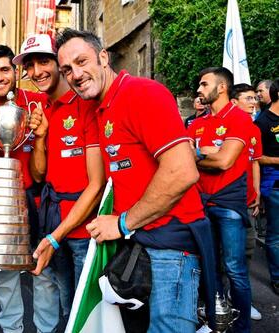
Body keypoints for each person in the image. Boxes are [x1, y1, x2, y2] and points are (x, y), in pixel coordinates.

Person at [57, 29, 215, 332]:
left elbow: (182, 171)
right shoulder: (102, 107)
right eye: (67, 69)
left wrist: (121, 223)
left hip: (171, 249)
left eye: (81, 61)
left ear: (103, 57)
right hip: (143, 244)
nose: (75, 74)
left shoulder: (142, 93)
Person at [15, 33, 105, 326]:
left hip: (83, 233)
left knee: (85, 315)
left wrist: (57, 236)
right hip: (54, 225)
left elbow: (98, 182)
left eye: (44, 61)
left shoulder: (87, 102)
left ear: (60, 63)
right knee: (66, 309)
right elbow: (40, 174)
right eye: (30, 65)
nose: (37, 71)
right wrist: (40, 138)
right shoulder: (43, 108)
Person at [0, 43, 52, 333]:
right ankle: (12, 330)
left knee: (42, 272)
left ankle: (45, 329)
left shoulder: (37, 102)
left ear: (15, 71)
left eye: (4, 69)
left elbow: (41, 168)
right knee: (3, 274)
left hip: (35, 197)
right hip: (0, 202)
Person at [188, 67, 254, 332]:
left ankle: (242, 328)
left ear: (222, 87)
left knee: (235, 269)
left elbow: (225, 161)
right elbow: (187, 159)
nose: (199, 90)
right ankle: (216, 321)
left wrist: (200, 155)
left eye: (204, 84)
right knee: (210, 266)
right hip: (201, 203)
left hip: (228, 205)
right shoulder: (197, 123)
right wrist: (205, 154)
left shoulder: (239, 118)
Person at [229, 83, 263, 321]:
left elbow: (255, 162)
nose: (254, 102)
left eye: (255, 98)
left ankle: (241, 298)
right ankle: (217, 301)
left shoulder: (255, 130)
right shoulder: (217, 127)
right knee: (224, 257)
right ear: (234, 102)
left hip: (249, 203)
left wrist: (258, 192)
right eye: (248, 98)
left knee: (246, 253)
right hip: (227, 204)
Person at [255, 78, 279, 296]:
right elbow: (255, 157)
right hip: (274, 188)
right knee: (275, 236)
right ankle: (277, 278)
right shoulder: (262, 121)